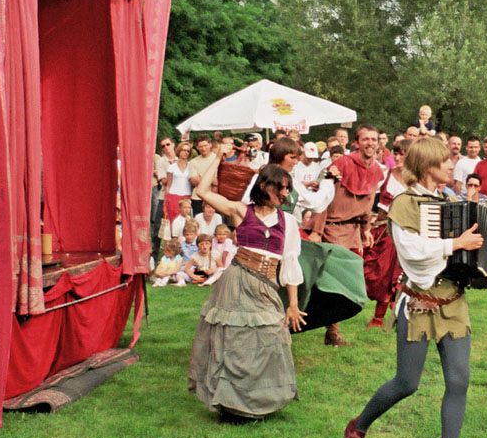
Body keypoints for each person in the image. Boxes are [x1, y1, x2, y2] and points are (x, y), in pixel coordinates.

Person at [342, 137, 487, 438]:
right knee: (406, 383)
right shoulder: (404, 204)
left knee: (459, 380)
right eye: (444, 161)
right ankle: (358, 427)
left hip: (452, 301)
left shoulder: (449, 202)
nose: (452, 165)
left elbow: (463, 255)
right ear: (427, 166)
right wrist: (455, 243)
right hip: (419, 302)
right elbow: (412, 253)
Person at [187, 165, 306, 421]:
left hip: (266, 285)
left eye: (287, 189)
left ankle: (260, 401)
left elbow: (291, 262)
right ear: (264, 186)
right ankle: (231, 405)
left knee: (270, 337)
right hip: (237, 280)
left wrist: (293, 305)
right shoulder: (241, 211)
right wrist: (217, 154)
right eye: (280, 188)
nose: (284, 194)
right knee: (233, 341)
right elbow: (203, 191)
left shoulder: (288, 222)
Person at [320, 124, 384, 346]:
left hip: (355, 230)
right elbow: (323, 198)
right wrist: (316, 231)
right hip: (333, 228)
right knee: (332, 282)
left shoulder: (376, 169)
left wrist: (366, 229)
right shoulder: (341, 164)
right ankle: (330, 331)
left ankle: (332, 331)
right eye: (366, 139)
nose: (370, 143)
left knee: (350, 281)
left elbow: (368, 201)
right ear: (356, 143)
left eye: (374, 139)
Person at [365, 139, 410, 329]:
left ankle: (388, 315)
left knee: (396, 273)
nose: (397, 158)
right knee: (377, 272)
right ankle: (380, 316)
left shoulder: (417, 179)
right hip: (382, 229)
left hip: (405, 231)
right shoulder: (385, 174)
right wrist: (367, 222)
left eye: (402, 154)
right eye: (396, 154)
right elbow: (369, 197)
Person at [163, 141, 195, 225]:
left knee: (187, 223)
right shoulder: (171, 167)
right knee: (173, 222)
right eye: (184, 150)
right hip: (173, 196)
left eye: (188, 151)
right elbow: (168, 185)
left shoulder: (192, 166)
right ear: (179, 151)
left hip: (187, 196)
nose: (186, 152)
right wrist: (165, 202)